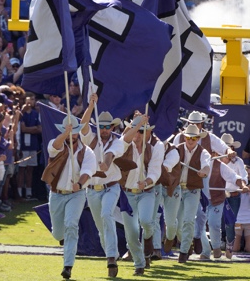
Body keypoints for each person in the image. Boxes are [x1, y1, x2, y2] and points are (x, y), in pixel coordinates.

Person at [174, 110, 236, 255]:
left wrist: (228, 150)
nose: (195, 125)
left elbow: (221, 145)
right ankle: (188, 243)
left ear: (201, 124)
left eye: (197, 123)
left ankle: (196, 242)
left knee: (200, 214)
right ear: (188, 123)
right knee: (179, 217)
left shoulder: (209, 137)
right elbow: (172, 151)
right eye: (192, 123)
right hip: (182, 179)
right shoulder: (179, 137)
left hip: (201, 179)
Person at [41, 115, 96, 279]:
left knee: (71, 225)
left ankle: (68, 265)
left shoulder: (87, 151)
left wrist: (79, 184)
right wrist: (66, 133)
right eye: (69, 132)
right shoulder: (55, 144)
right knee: (58, 233)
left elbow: (88, 171)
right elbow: (56, 146)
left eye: (74, 132)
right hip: (57, 194)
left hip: (76, 194)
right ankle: (62, 239)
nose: (72, 135)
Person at [80, 93, 124, 278]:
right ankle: (110, 254)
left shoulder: (118, 142)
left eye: (107, 127)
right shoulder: (91, 140)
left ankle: (111, 258)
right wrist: (90, 106)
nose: (104, 130)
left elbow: (112, 154)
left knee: (107, 215)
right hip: (92, 189)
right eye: (101, 127)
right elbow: (82, 126)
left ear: (112, 127)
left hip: (111, 186)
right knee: (101, 227)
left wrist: (106, 163)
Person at [120, 114, 164, 275]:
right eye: (135, 131)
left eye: (141, 132)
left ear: (148, 133)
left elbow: (155, 170)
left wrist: (146, 182)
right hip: (127, 193)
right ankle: (139, 263)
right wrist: (135, 126)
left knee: (146, 221)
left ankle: (148, 243)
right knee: (131, 233)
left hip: (146, 191)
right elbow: (123, 140)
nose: (137, 135)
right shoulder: (124, 145)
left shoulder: (154, 148)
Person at [199, 153, 249, 260]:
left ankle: (221, 247)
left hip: (221, 198)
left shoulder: (222, 165)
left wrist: (243, 185)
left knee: (218, 224)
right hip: (201, 199)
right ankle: (206, 250)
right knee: (199, 226)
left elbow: (235, 177)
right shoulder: (198, 162)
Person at [176, 124, 211, 263]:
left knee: (189, 220)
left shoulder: (203, 152)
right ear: (184, 137)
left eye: (194, 138)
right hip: (177, 189)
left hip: (193, 190)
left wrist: (204, 171)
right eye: (189, 138)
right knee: (175, 223)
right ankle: (187, 242)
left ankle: (183, 252)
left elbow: (207, 164)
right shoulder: (177, 150)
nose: (191, 141)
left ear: (198, 139)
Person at [220, 133, 248, 257]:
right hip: (219, 194)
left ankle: (229, 246)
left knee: (230, 222)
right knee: (216, 221)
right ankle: (221, 243)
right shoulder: (216, 160)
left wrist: (243, 184)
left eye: (229, 147)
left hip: (234, 195)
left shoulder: (239, 162)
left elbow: (244, 177)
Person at [18, 93, 41, 199]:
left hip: (33, 144)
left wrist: (30, 129)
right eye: (29, 99)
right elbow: (23, 129)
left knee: (30, 169)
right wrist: (34, 129)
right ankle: (19, 192)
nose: (31, 101)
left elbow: (40, 129)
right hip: (23, 145)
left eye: (33, 99)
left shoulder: (36, 113)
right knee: (22, 169)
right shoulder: (21, 113)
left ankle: (28, 191)